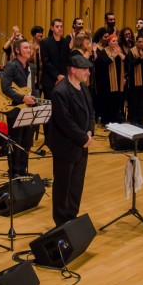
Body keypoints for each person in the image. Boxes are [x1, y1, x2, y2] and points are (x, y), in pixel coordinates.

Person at [48, 55, 95, 227]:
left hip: (82, 145)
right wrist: (84, 138)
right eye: (85, 70)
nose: (88, 73)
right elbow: (65, 122)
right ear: (73, 70)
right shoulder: (60, 91)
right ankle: (61, 223)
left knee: (76, 185)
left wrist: (90, 131)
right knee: (63, 187)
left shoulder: (83, 88)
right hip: (65, 147)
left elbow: (91, 111)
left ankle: (71, 218)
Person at [0, 39, 37, 177]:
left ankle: (22, 169)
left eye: (30, 48)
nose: (29, 50)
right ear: (17, 50)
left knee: (27, 140)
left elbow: (32, 88)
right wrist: (22, 98)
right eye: (26, 48)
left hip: (29, 107)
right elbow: (5, 88)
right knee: (16, 140)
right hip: (15, 108)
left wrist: (36, 99)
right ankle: (14, 171)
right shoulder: (11, 66)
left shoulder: (31, 67)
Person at [40, 18, 71, 102]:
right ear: (52, 28)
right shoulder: (45, 42)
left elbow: (67, 60)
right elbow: (46, 62)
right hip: (49, 80)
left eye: (61, 26)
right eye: (57, 26)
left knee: (61, 105)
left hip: (63, 79)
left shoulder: (65, 42)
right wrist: (57, 75)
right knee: (50, 105)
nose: (60, 28)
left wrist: (63, 75)